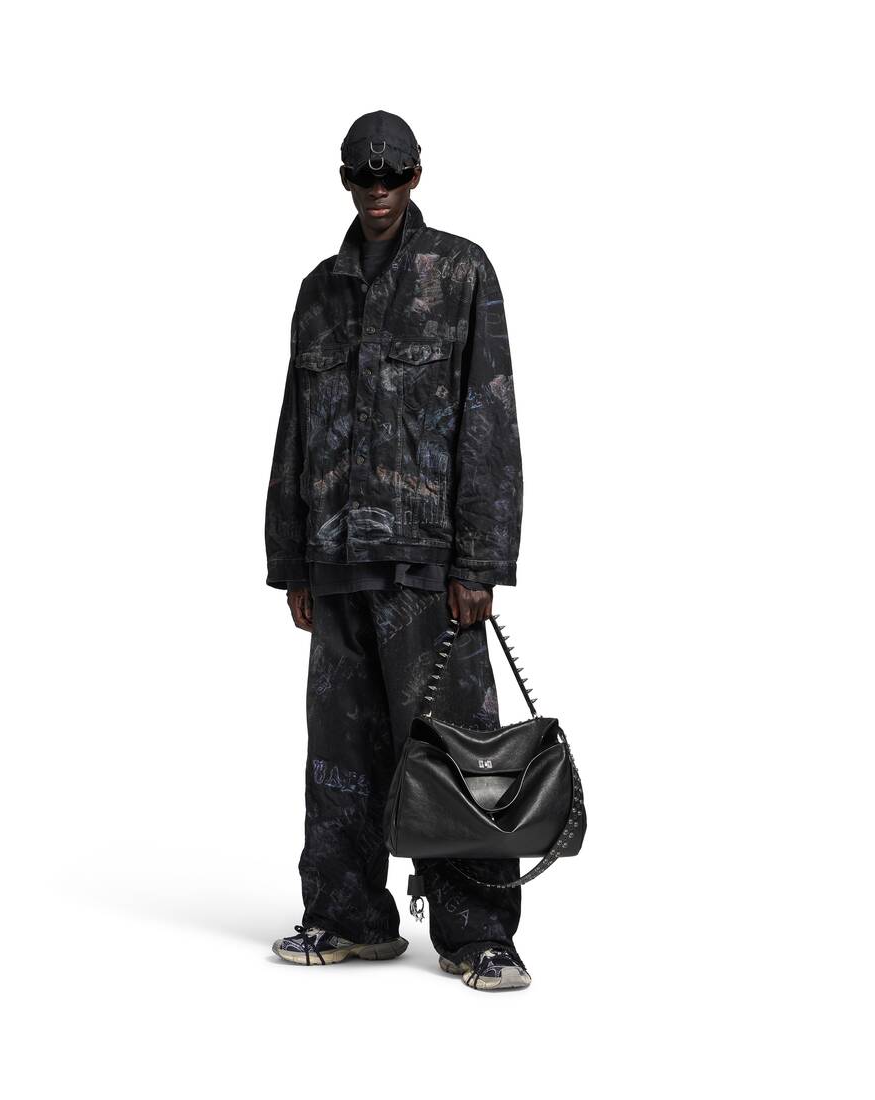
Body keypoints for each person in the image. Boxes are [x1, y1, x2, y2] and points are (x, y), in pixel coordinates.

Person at [263, 110, 529, 991]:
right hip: (336, 565)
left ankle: (478, 934)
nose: (377, 190)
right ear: (344, 179)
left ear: (416, 176)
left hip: (428, 572)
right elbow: (296, 429)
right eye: (362, 176)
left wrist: (480, 561)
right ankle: (348, 916)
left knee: (457, 756)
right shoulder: (319, 291)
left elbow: (489, 416)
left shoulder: (459, 271)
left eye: (392, 175)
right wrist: (292, 561)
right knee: (338, 758)